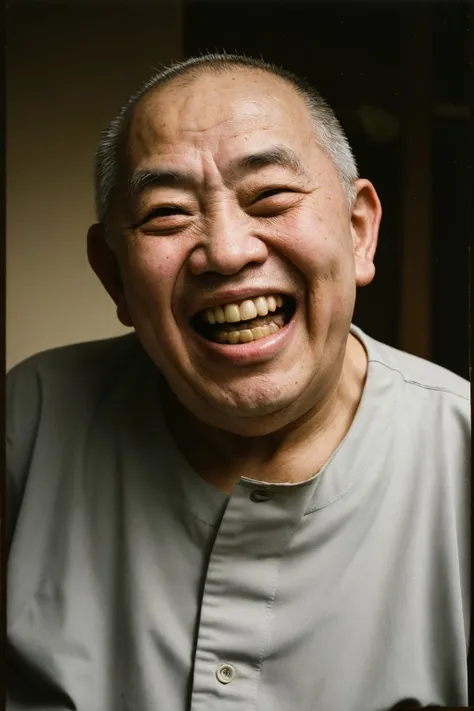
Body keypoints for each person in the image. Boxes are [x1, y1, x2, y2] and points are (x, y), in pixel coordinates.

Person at [6, 53, 470, 711]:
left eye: (271, 196)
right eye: (166, 213)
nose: (226, 251)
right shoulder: (29, 421)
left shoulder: (462, 457)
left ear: (359, 231)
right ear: (114, 275)